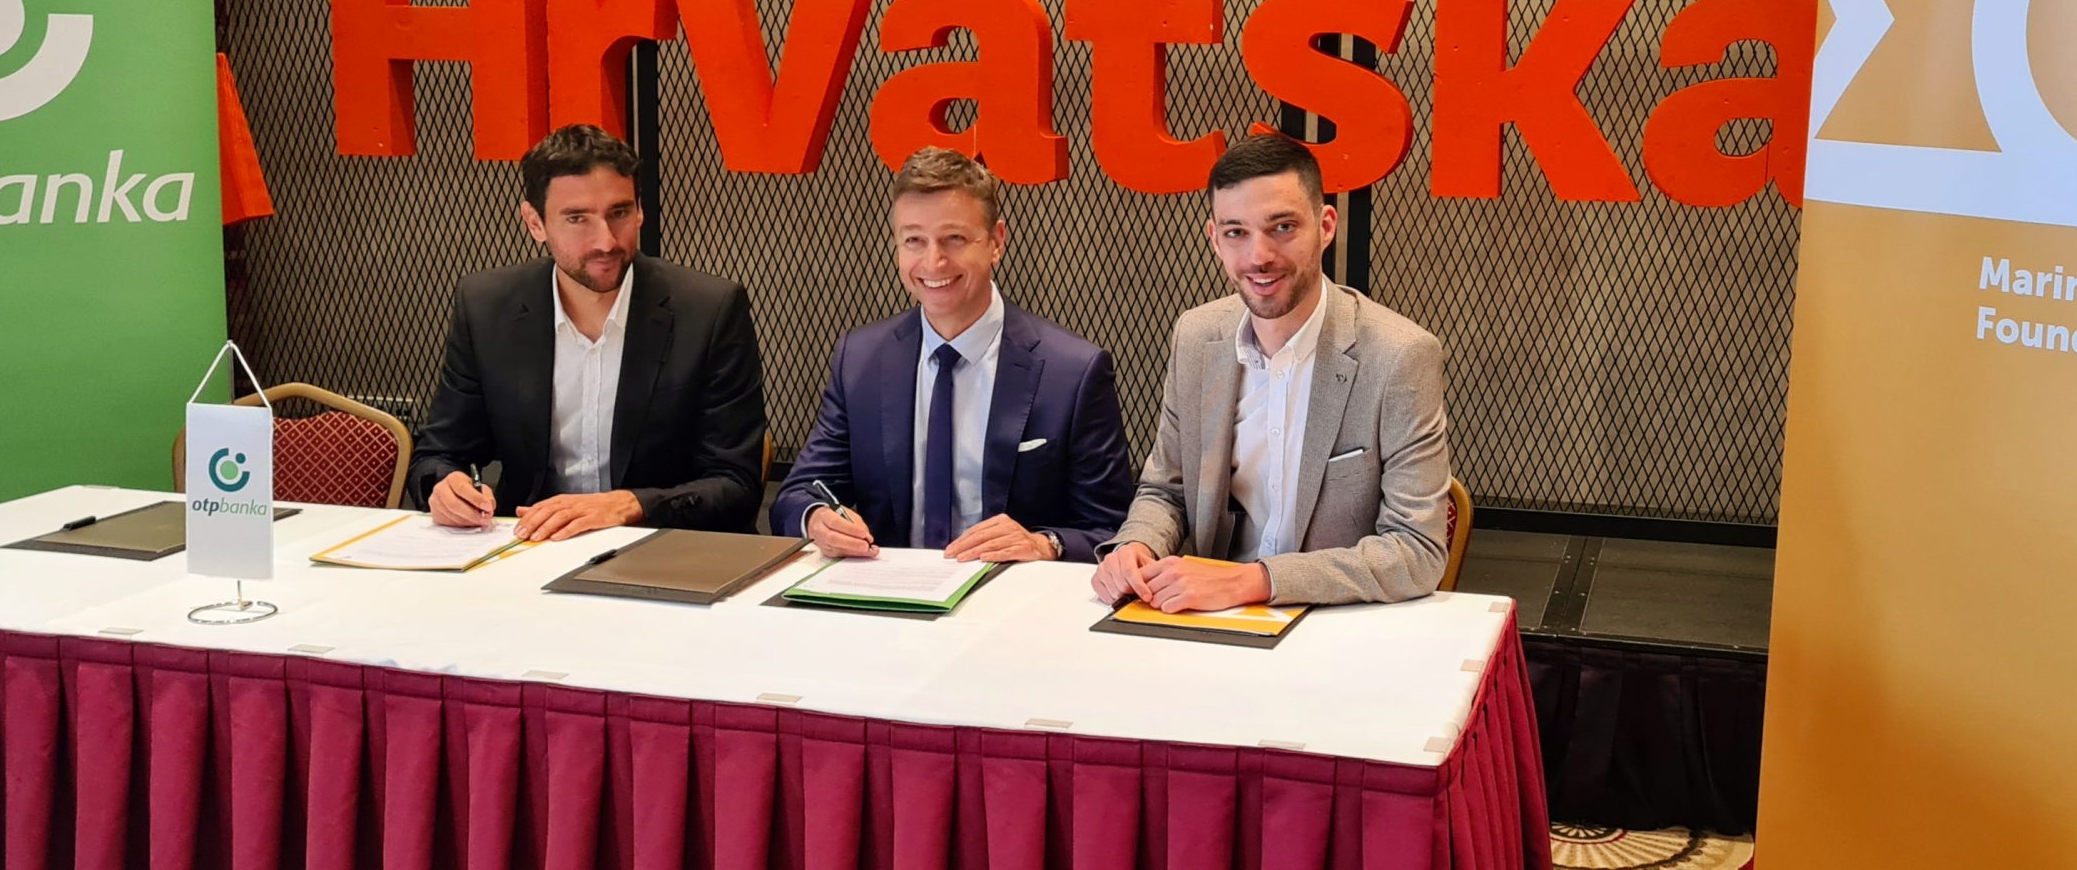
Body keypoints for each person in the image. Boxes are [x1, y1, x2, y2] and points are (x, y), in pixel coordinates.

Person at [1089, 135, 1451, 610]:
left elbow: (1416, 552)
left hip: (1335, 620)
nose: (1259, 255)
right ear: (1214, 238)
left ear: (1325, 226)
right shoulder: (1197, 336)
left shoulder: (1398, 355)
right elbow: (1166, 489)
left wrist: (1256, 581)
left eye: (1282, 227)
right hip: (1210, 615)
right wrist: (1138, 544)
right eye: (1236, 232)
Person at [772, 148, 1132, 563]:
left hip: (1010, 591)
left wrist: (1044, 544)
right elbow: (798, 495)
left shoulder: (1073, 371)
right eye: (914, 240)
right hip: (887, 590)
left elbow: (1113, 529)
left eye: (954, 239)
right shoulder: (860, 359)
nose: (933, 261)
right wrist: (817, 518)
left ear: (996, 242)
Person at [408, 124, 766, 541]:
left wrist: (630, 505)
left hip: (663, 545)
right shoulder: (487, 306)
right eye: (577, 218)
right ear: (535, 223)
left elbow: (736, 484)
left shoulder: (709, 309)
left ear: (640, 210)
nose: (606, 241)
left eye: (620, 213)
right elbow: (439, 453)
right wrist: (445, 487)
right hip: (532, 544)